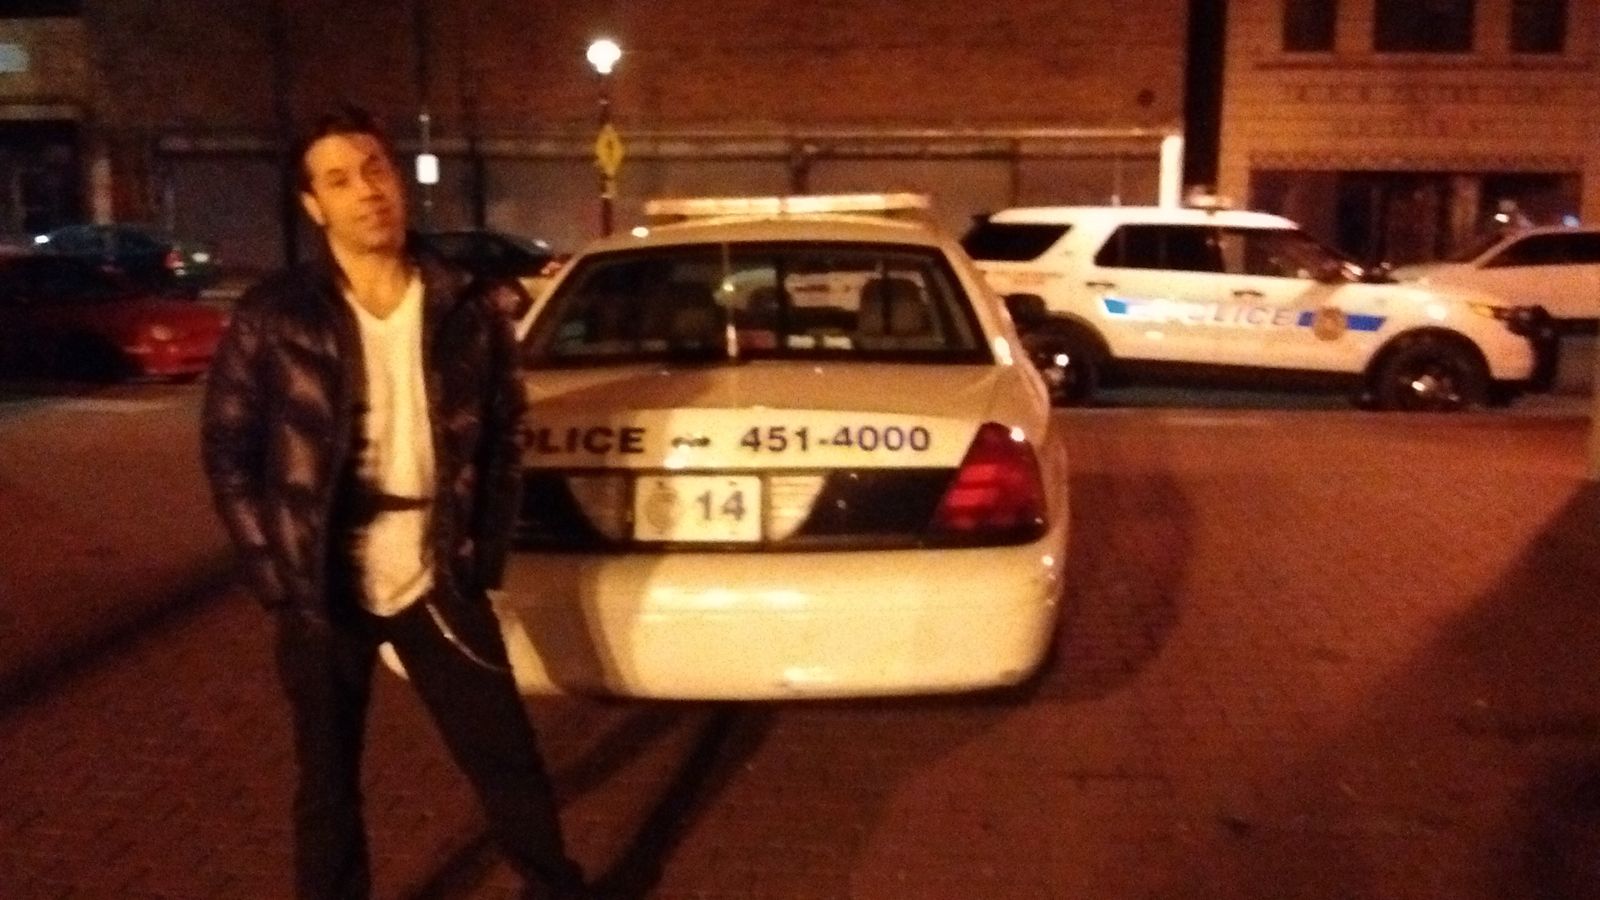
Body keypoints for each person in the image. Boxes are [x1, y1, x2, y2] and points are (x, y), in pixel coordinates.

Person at [200, 105, 586, 900]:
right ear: (314, 206)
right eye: (339, 180)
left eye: (375, 168)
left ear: (397, 179)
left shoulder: (467, 302)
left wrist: (481, 553)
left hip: (436, 566)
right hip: (323, 578)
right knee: (328, 779)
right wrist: (277, 576)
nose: (367, 191)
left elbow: (506, 433)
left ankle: (556, 888)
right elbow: (229, 451)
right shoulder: (275, 313)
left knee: (506, 757)